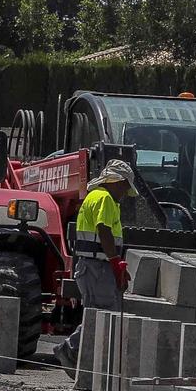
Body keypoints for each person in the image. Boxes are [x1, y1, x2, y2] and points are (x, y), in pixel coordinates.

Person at [55, 159, 134, 371]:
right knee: (103, 315)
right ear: (117, 182)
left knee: (100, 314)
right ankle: (69, 350)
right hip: (97, 267)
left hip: (92, 266)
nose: (125, 195)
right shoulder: (105, 198)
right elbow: (103, 229)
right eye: (125, 189)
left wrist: (116, 265)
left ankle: (82, 359)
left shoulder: (95, 197)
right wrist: (115, 262)